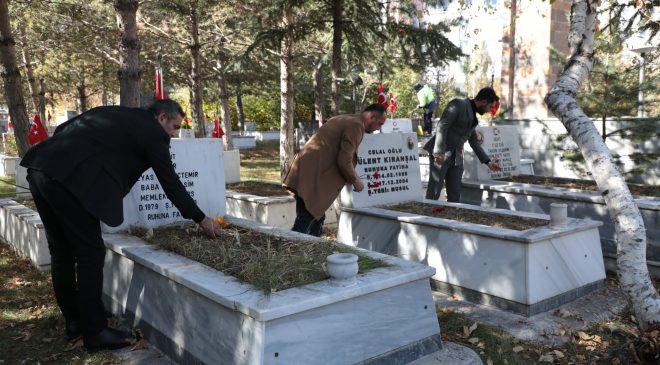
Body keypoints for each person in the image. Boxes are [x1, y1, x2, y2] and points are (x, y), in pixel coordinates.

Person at [20, 100, 222, 351]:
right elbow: (170, 183)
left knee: (60, 252)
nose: (173, 134)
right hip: (68, 183)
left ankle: (75, 322)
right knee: (90, 253)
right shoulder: (153, 134)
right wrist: (201, 218)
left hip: (40, 169)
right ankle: (95, 332)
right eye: (173, 127)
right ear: (161, 118)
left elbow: (64, 129)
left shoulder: (114, 112)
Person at [283, 104, 387, 237]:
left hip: (306, 171)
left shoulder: (345, 118)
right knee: (305, 220)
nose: (379, 128)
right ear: (372, 116)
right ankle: (291, 251)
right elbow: (344, 160)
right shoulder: (356, 125)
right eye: (380, 123)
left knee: (317, 217)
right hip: (312, 176)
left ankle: (313, 251)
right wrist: (355, 180)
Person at [423, 87, 502, 202]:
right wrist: (439, 152)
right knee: (434, 193)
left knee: (455, 196)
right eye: (490, 106)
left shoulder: (473, 118)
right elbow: (442, 125)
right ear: (484, 101)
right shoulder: (458, 104)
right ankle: (427, 218)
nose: (489, 110)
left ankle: (450, 219)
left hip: (457, 159)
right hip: (441, 155)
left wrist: (488, 162)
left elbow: (474, 143)